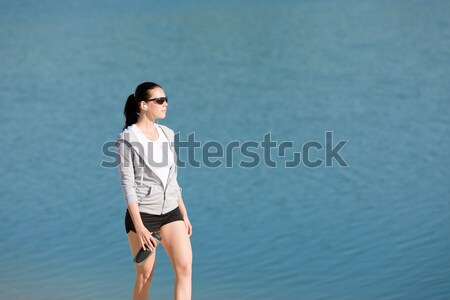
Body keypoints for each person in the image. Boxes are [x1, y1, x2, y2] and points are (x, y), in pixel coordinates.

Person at [116, 82, 192, 300]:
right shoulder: (127, 139)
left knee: (185, 268)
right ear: (144, 105)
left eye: (166, 99)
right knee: (145, 276)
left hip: (171, 212)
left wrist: (184, 213)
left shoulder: (168, 134)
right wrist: (139, 227)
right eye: (159, 100)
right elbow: (128, 186)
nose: (165, 103)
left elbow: (172, 179)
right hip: (144, 216)